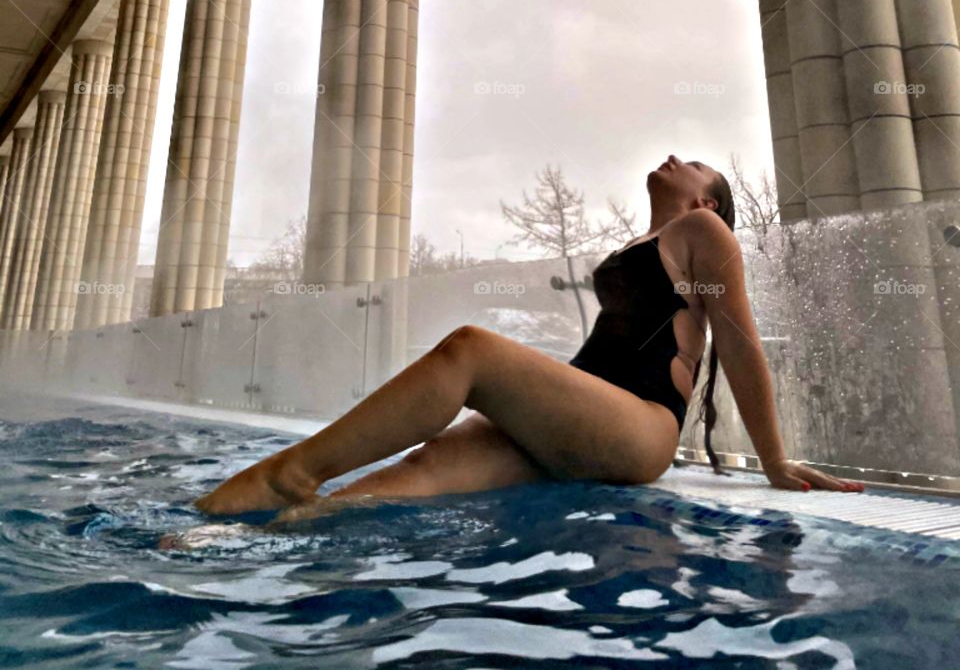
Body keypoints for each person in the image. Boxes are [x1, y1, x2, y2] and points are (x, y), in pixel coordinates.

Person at [194, 154, 864, 522]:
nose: (670, 159)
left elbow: (740, 343)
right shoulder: (642, 244)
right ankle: (283, 530)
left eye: (689, 163)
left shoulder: (702, 236)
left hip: (640, 428)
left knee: (470, 351)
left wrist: (775, 462)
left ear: (707, 203)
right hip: (582, 420)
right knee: (419, 470)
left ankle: (289, 475)